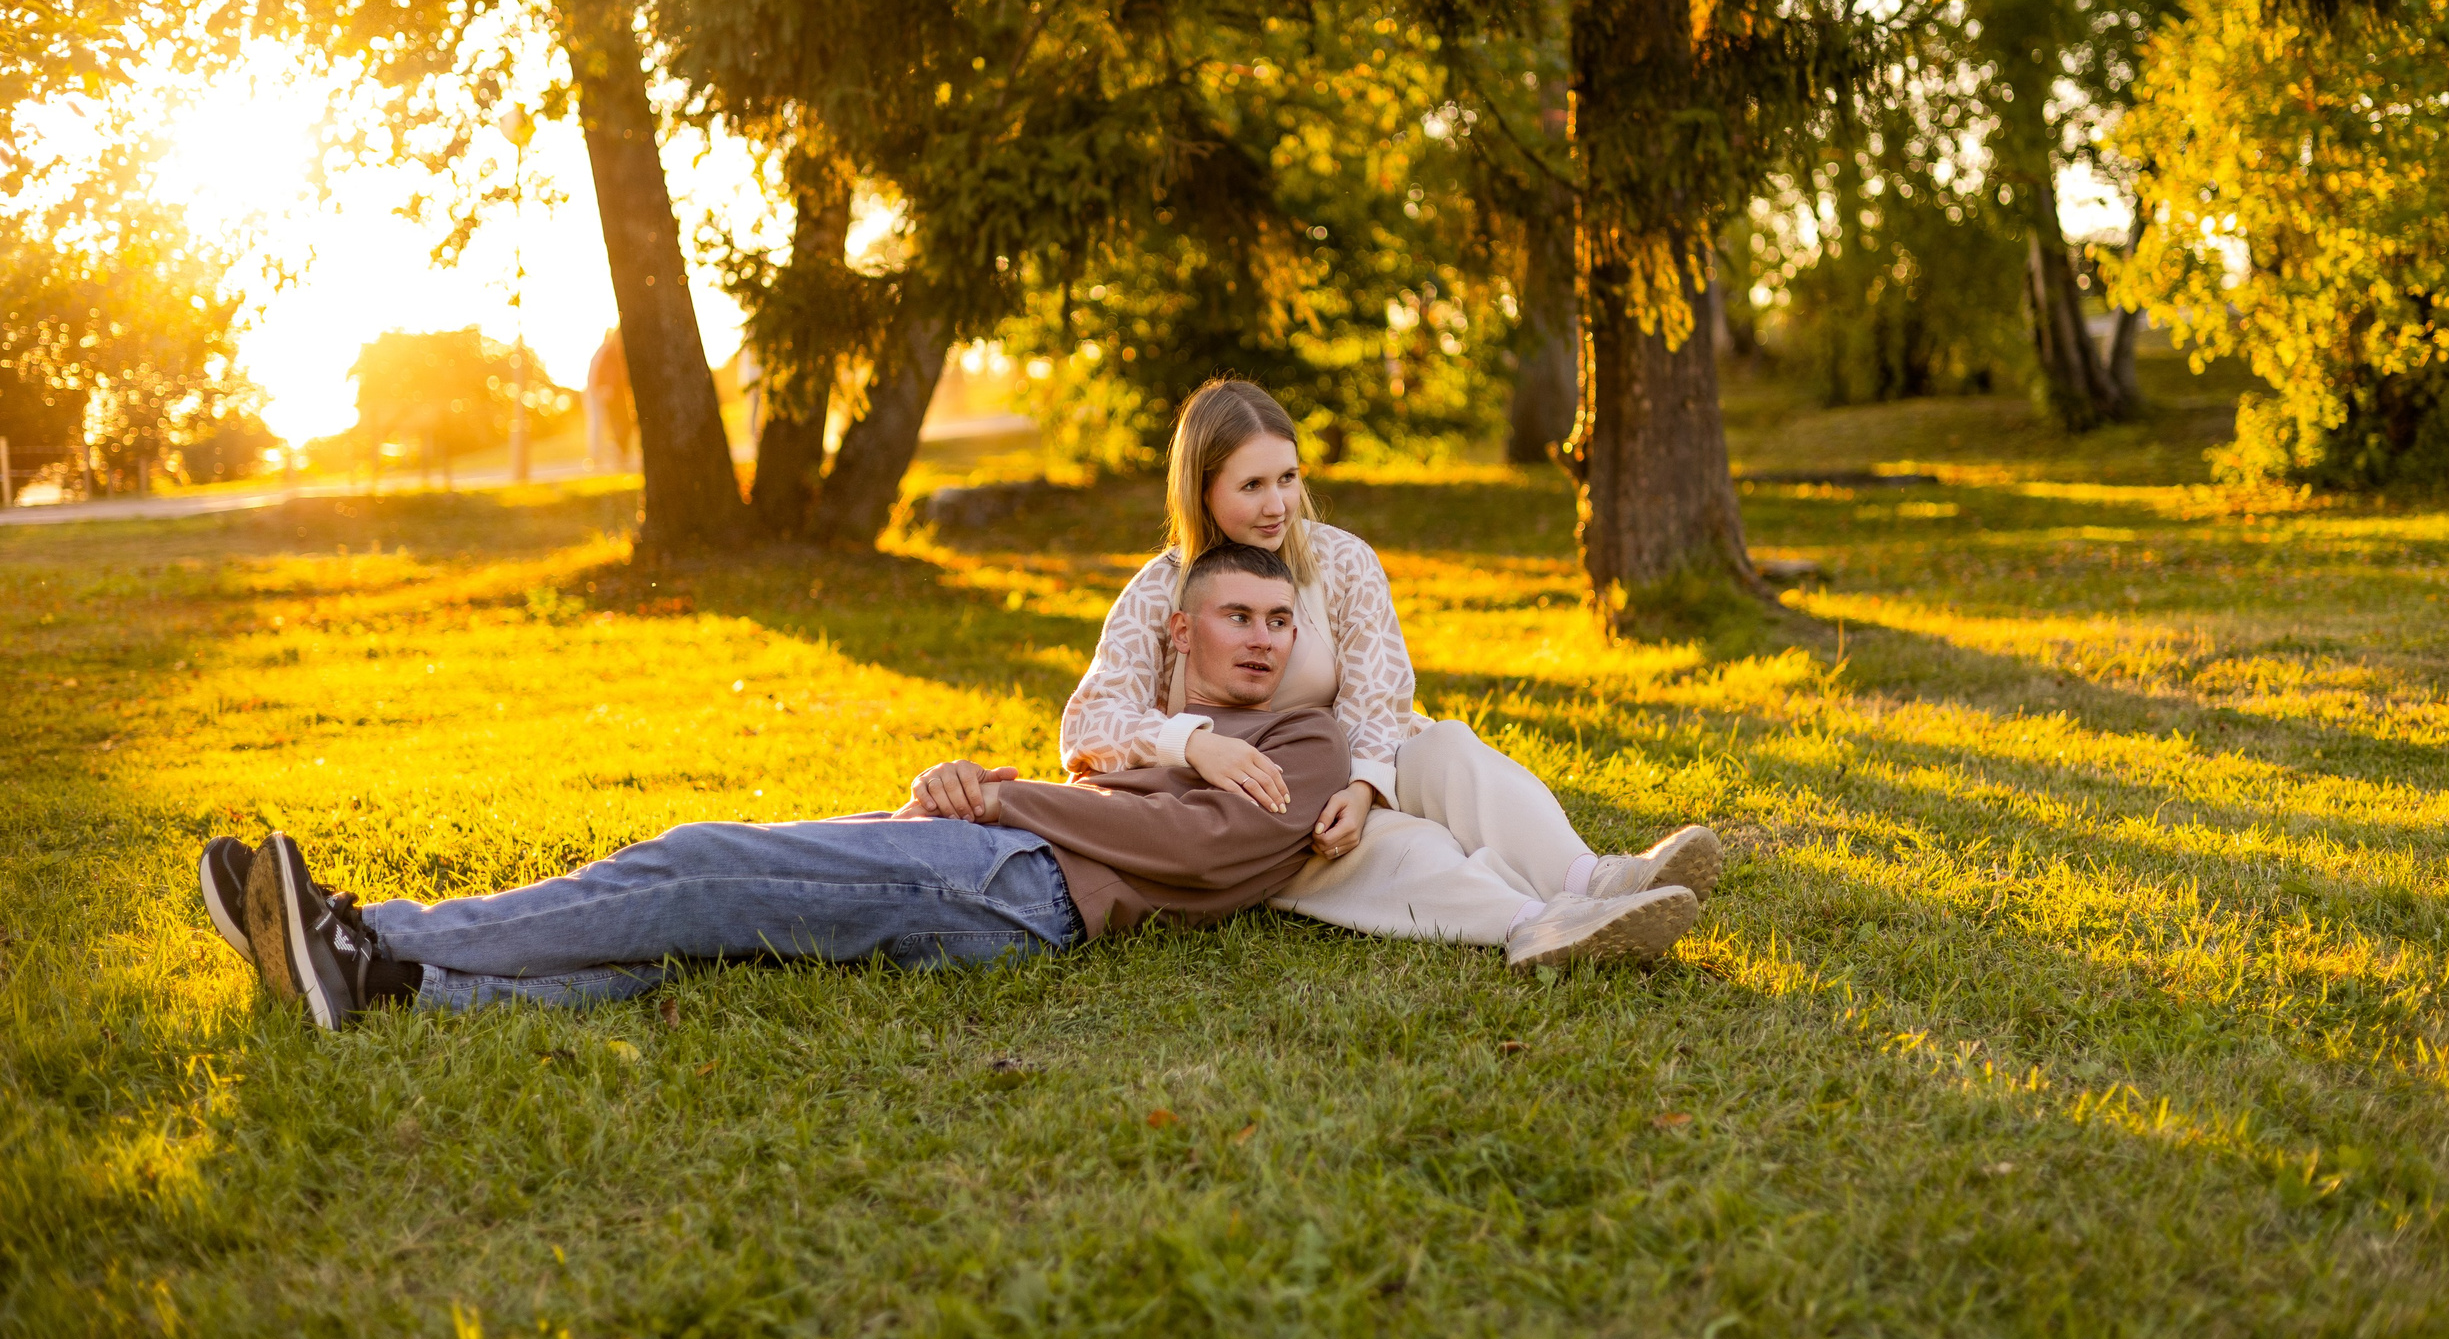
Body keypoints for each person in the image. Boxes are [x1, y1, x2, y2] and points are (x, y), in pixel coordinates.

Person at [201, 543, 1623, 1031]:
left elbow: (1199, 854)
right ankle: (393, 986)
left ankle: (369, 928)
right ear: (1181, 634)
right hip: (1004, 861)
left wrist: (1002, 797)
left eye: (1277, 621)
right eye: (1234, 620)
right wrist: (990, 779)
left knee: (701, 860)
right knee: (703, 936)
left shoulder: (1305, 743)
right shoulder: (1161, 721)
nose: (1260, 638)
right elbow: (1125, 776)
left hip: (1025, 894)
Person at [1048, 378, 1722, 966]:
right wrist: (1194, 742)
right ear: (1203, 489)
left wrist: (1367, 784)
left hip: (1351, 761)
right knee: (1401, 846)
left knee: (1448, 745)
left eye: (1287, 477)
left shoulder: (1342, 563)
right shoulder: (1160, 589)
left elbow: (1380, 694)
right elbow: (1089, 723)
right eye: (1251, 485)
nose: (1277, 504)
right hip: (1261, 803)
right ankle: (1534, 922)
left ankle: (1595, 878)